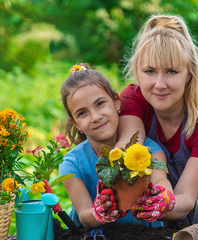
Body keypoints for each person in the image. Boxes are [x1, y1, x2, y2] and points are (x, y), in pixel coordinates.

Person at [117, 15, 198, 226]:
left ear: (188, 73)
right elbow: (128, 145)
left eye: (171, 72)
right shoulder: (133, 99)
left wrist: (155, 205)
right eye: (150, 71)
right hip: (160, 203)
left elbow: (185, 200)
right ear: (137, 71)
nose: (160, 84)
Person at [58, 64, 175, 229]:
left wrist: (163, 197)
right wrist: (100, 213)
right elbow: (84, 215)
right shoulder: (71, 164)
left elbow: (161, 180)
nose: (96, 117)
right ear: (74, 123)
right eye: (82, 113)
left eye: (100, 104)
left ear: (116, 102)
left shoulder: (149, 150)